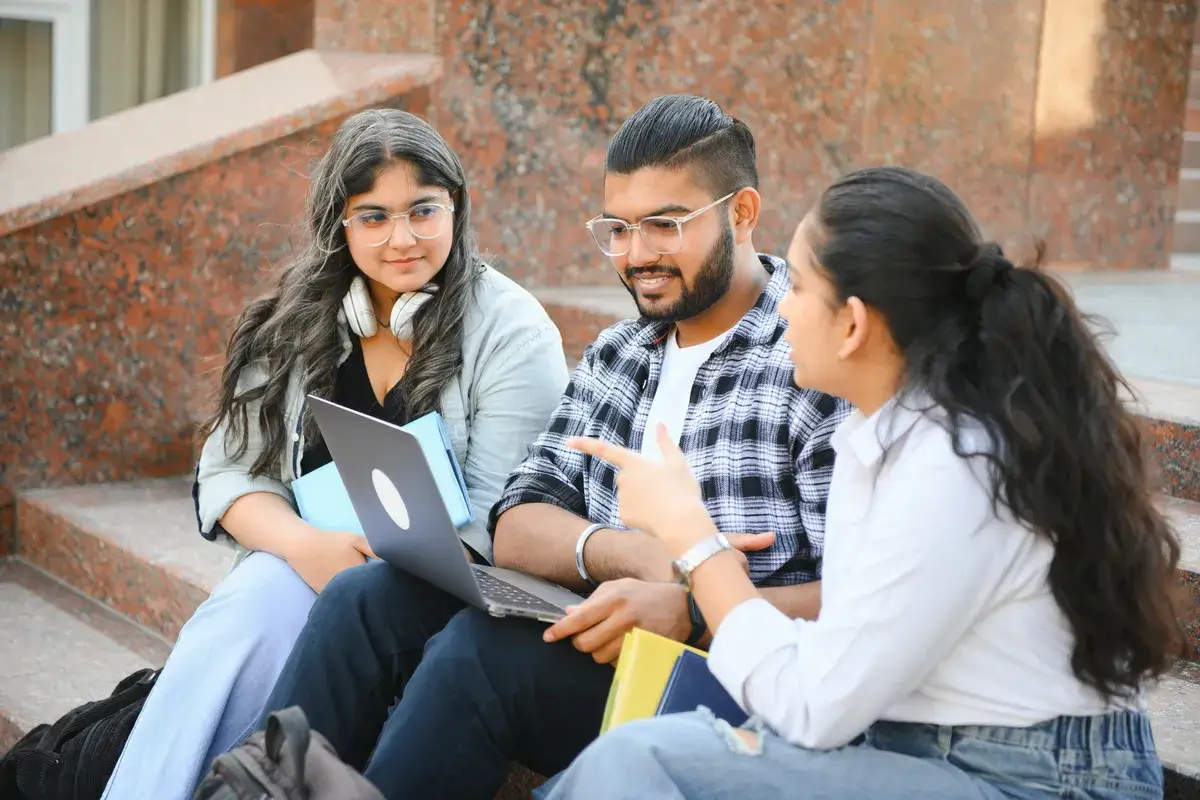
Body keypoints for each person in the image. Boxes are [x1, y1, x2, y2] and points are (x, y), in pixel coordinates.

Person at [255, 94, 852, 798]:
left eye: (664, 226)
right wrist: (626, 555)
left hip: (727, 681)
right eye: (619, 229)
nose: (636, 257)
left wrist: (693, 606)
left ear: (742, 212)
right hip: (603, 637)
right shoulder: (621, 353)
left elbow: (861, 597)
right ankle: (259, 787)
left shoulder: (811, 359)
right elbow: (518, 523)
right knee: (369, 595)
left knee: (479, 657)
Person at [547, 165, 1182, 799]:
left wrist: (692, 536)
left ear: (852, 324)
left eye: (795, 286)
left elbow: (814, 709)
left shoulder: (957, 462)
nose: (781, 309)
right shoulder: (883, 435)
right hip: (917, 754)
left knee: (649, 759)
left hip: (1032, 780)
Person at [101, 108, 569, 800]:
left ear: (457, 208)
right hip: (308, 565)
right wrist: (305, 547)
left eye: (422, 211)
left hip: (429, 599)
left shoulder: (513, 332)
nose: (401, 239)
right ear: (339, 225)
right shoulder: (300, 315)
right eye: (373, 217)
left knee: (314, 600)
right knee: (253, 601)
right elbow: (231, 471)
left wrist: (358, 569)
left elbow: (501, 524)